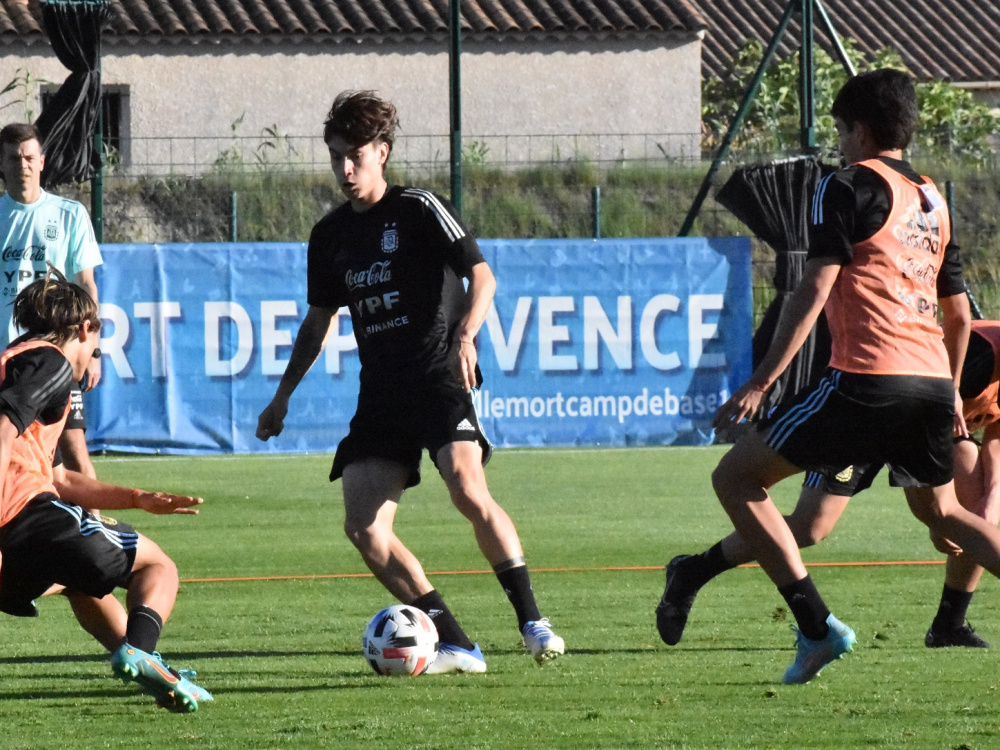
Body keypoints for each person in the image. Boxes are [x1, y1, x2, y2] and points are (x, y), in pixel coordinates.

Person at [685, 68, 1000, 686]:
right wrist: (950, 393)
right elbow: (960, 316)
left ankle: (815, 627)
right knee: (943, 513)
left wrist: (762, 381)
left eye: (840, 130)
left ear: (860, 130)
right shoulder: (933, 201)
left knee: (736, 478)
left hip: (865, 378)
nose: (839, 142)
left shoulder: (846, 185)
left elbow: (815, 286)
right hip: (931, 382)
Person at [256, 90, 564, 672]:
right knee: (364, 530)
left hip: (439, 376)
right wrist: (282, 397)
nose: (345, 170)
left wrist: (466, 337)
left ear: (382, 152)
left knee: (467, 488)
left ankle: (533, 621)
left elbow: (483, 278)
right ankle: (457, 643)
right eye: (336, 157)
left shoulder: (420, 208)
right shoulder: (329, 236)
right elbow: (317, 323)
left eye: (355, 156)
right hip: (382, 394)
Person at [657, 319, 1000, 650]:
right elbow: (914, 409)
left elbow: (995, 448)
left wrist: (983, 507)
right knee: (811, 526)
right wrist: (936, 512)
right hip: (873, 408)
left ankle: (949, 623)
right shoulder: (981, 353)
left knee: (975, 500)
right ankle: (692, 571)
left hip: (928, 429)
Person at [0, 272, 212, 712]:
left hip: (19, 537)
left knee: (79, 583)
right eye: (96, 342)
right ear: (85, 329)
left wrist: (137, 497)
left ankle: (153, 668)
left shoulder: (15, 362)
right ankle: (140, 651)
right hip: (22, 516)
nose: (94, 354)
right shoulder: (51, 361)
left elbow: (62, 480)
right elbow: (1, 433)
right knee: (156, 563)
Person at [0, 123, 101, 481]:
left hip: (55, 354)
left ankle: (92, 518)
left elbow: (86, 283)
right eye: (14, 158)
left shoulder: (69, 214)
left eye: (29, 157)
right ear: (1, 163)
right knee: (9, 450)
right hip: (6, 359)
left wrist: (93, 349)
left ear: (42, 161)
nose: (22, 165)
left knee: (75, 457)